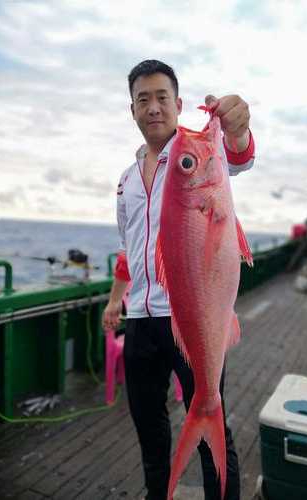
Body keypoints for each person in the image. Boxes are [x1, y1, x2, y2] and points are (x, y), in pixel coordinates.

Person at [102, 59, 255, 500]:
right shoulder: (126, 181)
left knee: (211, 421)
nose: (153, 107)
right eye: (143, 99)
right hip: (140, 320)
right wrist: (116, 300)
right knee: (150, 433)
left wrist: (237, 127)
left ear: (179, 104)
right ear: (132, 110)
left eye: (162, 97)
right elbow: (128, 249)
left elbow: (239, 153)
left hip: (190, 318)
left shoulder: (199, 154)